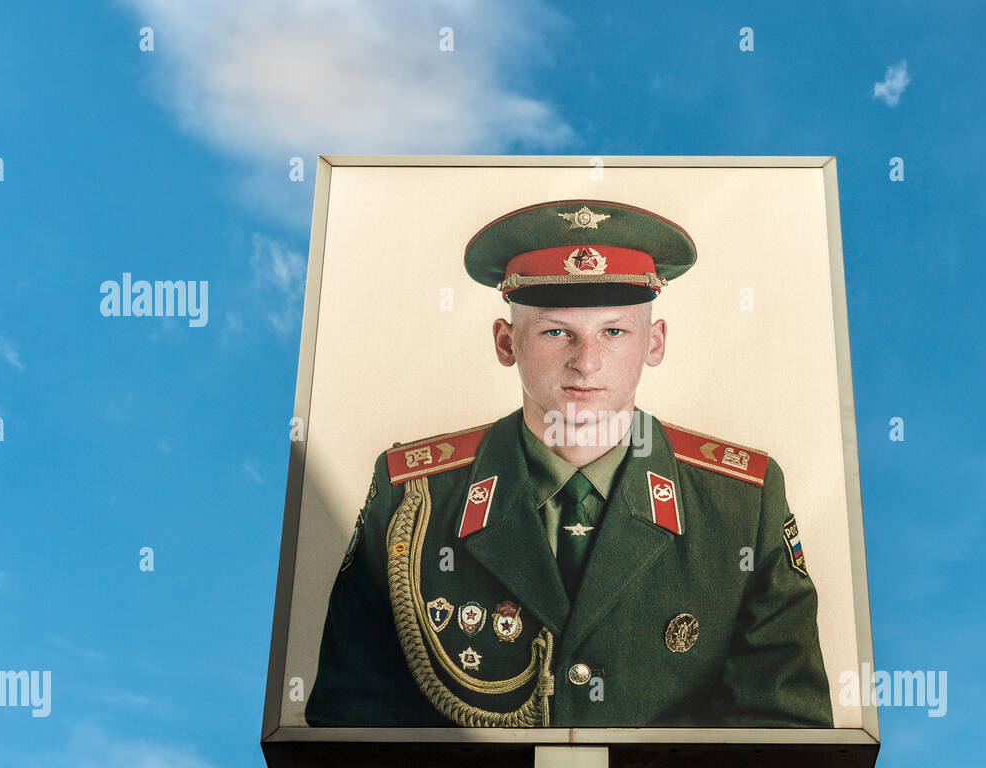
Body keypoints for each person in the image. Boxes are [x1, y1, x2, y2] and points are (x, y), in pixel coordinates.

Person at [305, 199, 832, 728]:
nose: (587, 362)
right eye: (556, 332)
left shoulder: (741, 502)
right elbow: (348, 731)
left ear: (655, 342)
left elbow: (785, 740)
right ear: (506, 342)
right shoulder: (412, 495)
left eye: (614, 332)